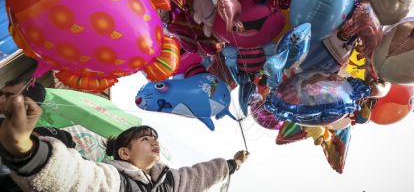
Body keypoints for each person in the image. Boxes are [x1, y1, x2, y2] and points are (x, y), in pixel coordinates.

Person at [0, 94, 250, 191]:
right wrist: (25, 150)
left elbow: (200, 175)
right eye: (145, 138)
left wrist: (233, 164)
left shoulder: (169, 183)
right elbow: (78, 177)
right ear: (124, 153)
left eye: (155, 139)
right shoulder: (116, 181)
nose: (154, 142)